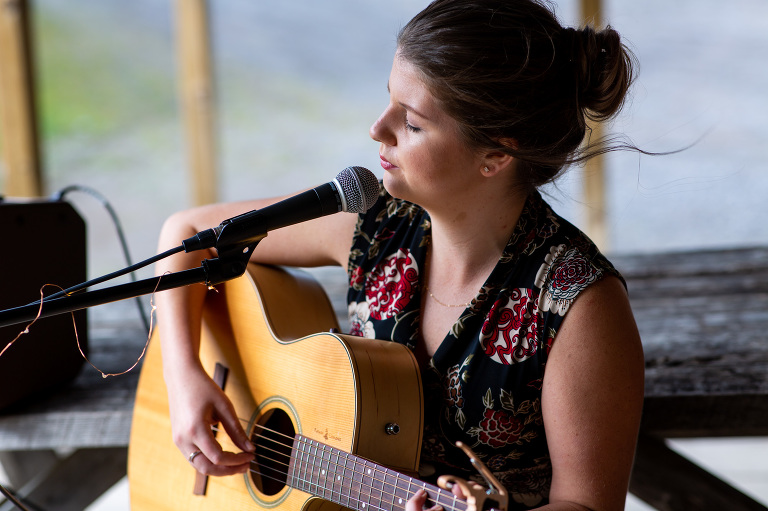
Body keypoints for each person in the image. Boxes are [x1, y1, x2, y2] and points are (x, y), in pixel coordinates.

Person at [154, 0, 645, 509]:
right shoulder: (373, 226)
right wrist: (184, 376)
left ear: (496, 154)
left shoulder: (578, 305)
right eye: (389, 99)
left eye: (411, 122)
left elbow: (588, 505)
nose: (377, 128)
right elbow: (188, 233)